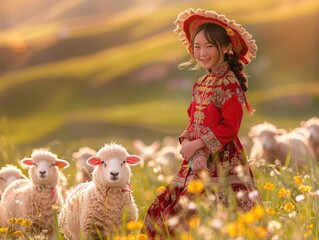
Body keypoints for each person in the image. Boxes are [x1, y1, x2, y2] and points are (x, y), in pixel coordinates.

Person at [142, 8, 263, 238]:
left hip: (223, 160)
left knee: (217, 218)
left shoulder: (229, 85)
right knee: (167, 215)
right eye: (197, 47)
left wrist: (197, 146)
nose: (202, 52)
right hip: (195, 159)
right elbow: (192, 121)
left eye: (209, 46)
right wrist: (190, 147)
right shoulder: (201, 83)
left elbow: (229, 127)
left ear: (226, 48)